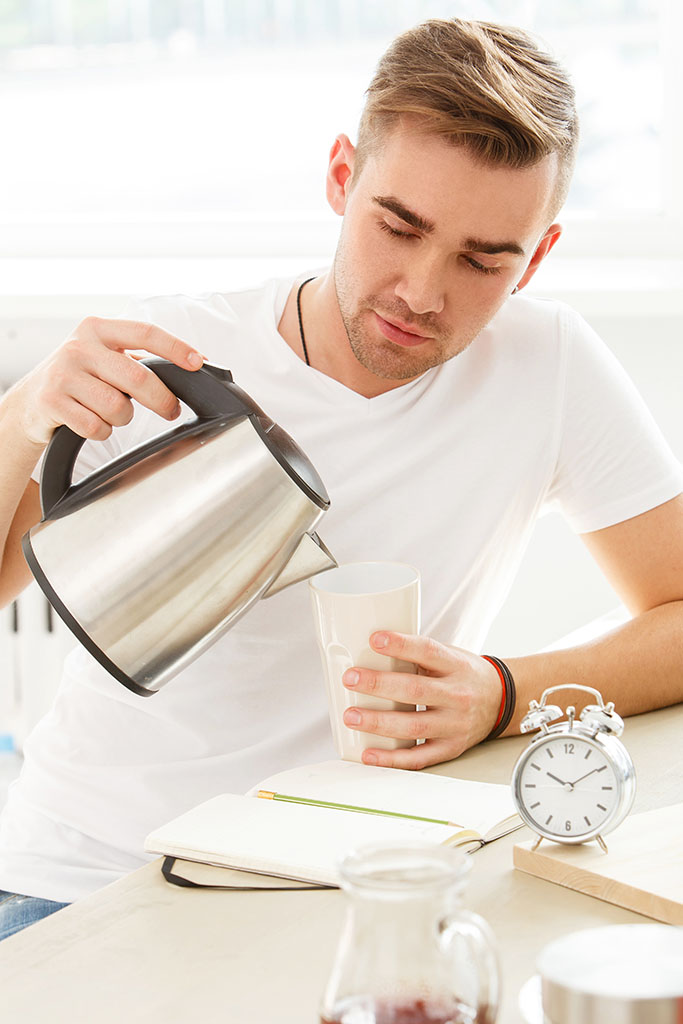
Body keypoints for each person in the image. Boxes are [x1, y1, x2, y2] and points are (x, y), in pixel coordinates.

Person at [0, 18, 682, 941]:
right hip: (81, 878)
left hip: (352, 883)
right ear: (339, 177)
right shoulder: (177, 355)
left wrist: (503, 691)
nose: (421, 292)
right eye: (398, 226)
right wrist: (22, 414)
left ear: (539, 255)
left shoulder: (546, 366)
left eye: (484, 259)